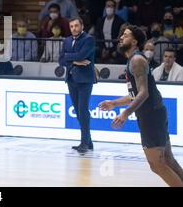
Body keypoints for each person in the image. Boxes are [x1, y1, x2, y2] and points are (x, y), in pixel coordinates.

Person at [99, 26, 183, 187]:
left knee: (156, 164)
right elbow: (135, 95)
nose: (121, 37)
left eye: (126, 35)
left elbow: (143, 94)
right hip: (155, 113)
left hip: (151, 116)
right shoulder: (133, 60)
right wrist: (114, 103)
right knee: (167, 160)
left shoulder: (137, 60)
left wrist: (125, 113)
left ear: (135, 41)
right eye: (121, 34)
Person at [59, 17, 96, 154]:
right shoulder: (67, 40)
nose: (74, 28)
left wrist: (69, 57)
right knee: (78, 110)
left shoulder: (89, 39)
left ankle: (84, 142)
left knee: (83, 110)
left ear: (81, 26)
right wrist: (76, 61)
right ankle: (89, 141)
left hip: (85, 79)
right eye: (71, 26)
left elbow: (82, 54)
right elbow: (60, 60)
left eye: (76, 26)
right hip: (71, 79)